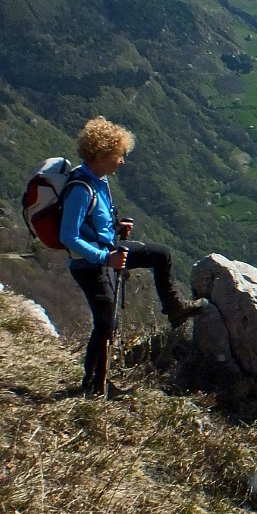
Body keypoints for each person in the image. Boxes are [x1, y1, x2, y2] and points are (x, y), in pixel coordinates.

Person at [60, 116, 205, 397]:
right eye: (118, 155)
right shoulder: (80, 189)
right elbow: (69, 236)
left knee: (160, 254)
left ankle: (174, 308)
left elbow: (93, 223)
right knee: (106, 323)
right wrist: (105, 260)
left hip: (107, 252)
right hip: (89, 264)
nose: (122, 161)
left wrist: (116, 227)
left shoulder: (98, 180)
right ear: (101, 155)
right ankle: (94, 386)